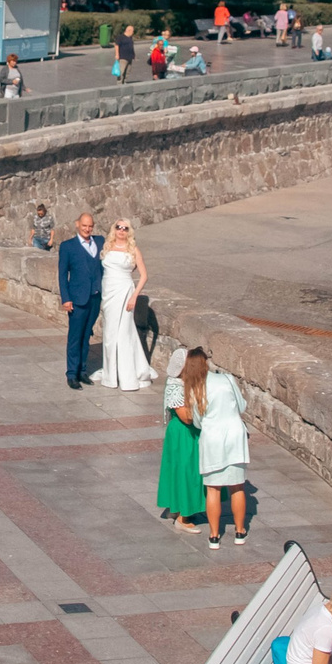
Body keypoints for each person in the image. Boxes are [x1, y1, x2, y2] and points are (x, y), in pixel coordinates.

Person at [194, 355, 251, 548]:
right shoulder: (227, 379)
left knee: (213, 489)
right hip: (234, 437)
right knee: (237, 487)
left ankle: (214, 535)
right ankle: (240, 531)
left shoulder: (195, 386)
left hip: (212, 439)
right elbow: (242, 406)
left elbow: (196, 420)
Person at [96, 219, 152, 390]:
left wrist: (134, 296)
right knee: (110, 333)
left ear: (129, 231)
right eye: (118, 227)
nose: (121, 230)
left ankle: (127, 375)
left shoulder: (133, 250)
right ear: (114, 229)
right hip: (108, 292)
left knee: (124, 333)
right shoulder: (106, 246)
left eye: (125, 228)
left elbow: (143, 275)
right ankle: (110, 375)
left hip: (125, 291)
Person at [157, 345, 208, 531]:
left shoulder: (185, 383)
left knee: (183, 469)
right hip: (183, 434)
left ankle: (176, 507)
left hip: (187, 433)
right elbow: (186, 416)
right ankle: (183, 517)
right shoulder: (176, 386)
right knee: (186, 470)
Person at [57, 212, 104, 389]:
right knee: (75, 337)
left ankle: (83, 371)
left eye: (90, 226)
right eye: (84, 225)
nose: (87, 229)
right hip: (77, 299)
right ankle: (71, 374)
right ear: (77, 224)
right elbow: (62, 275)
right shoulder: (68, 246)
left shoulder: (99, 242)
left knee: (87, 335)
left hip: (94, 297)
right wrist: (66, 299)